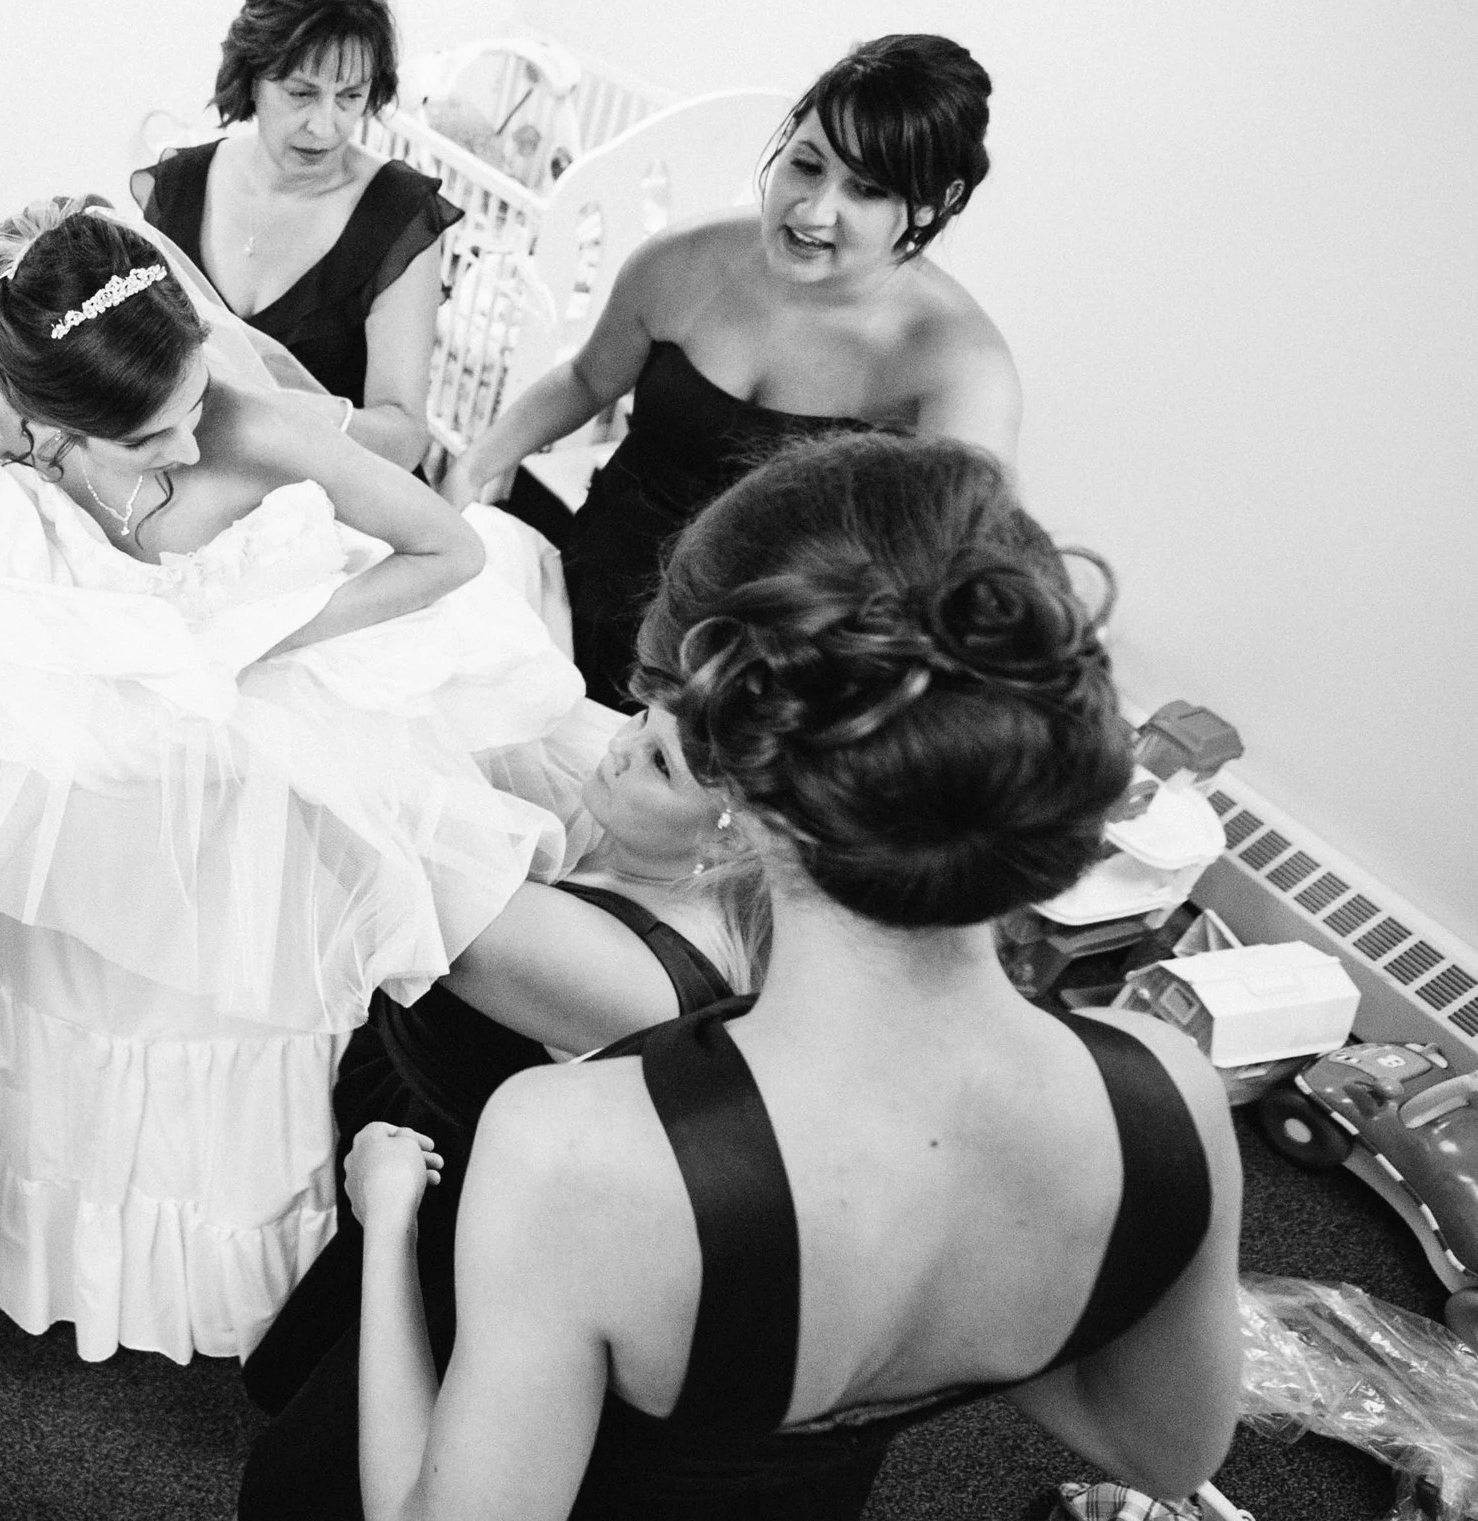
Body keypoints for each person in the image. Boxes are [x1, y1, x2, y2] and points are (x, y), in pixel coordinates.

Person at [0, 200, 599, 1364]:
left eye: (194, 407)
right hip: (96, 767)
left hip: (247, 753)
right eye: (150, 440)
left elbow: (447, 552)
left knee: (221, 992)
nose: (191, 447)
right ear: (47, 424)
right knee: (62, 973)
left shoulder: (257, 429)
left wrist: (254, 638)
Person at [243, 433, 1245, 1521]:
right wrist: (959, 1302)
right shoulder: (1168, 1094)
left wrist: (389, 1220)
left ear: (732, 757)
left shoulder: (577, 1145)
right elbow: (1161, 1446)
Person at [440, 34, 1025, 708]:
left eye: (865, 189)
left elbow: (965, 572)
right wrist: (473, 465)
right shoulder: (683, 261)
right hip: (590, 601)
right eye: (806, 166)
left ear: (929, 206)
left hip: (750, 682)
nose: (812, 211)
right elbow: (586, 381)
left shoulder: (957, 368)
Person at [242, 700, 768, 1412]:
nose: (620, 744)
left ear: (733, 838)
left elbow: (373, 863)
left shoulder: (620, 969)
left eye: (659, 764)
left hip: (455, 1195)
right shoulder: (670, 865)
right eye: (645, 717)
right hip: (435, 1133)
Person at [134, 0, 458, 474]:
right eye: (300, 93)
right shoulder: (175, 190)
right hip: (200, 477)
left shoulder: (395, 215)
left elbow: (403, 440)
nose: (325, 125)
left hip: (342, 491)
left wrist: (288, 412)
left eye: (350, 97)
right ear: (253, 78)